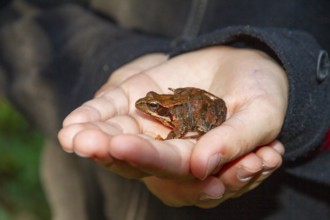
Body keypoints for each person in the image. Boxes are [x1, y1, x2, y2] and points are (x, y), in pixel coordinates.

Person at [0, 0, 329, 219]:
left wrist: (299, 88)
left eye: (153, 106)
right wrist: (114, 58)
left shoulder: (175, 114)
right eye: (151, 104)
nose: (147, 109)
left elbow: (186, 122)